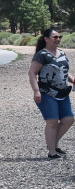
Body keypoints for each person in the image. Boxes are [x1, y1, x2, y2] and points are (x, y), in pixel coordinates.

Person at [29, 28, 75, 159]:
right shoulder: (41, 55)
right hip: (46, 93)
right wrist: (36, 91)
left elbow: (64, 72)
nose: (58, 39)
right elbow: (32, 73)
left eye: (59, 37)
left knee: (69, 120)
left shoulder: (62, 53)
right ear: (46, 39)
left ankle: (53, 144)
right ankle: (52, 152)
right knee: (52, 121)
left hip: (63, 93)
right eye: (55, 37)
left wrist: (73, 80)